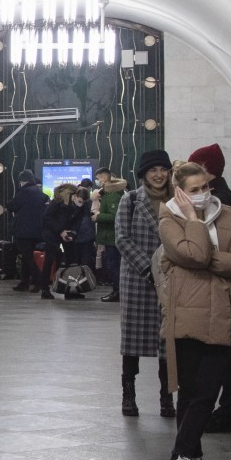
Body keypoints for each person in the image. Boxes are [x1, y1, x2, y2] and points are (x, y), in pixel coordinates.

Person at [156, 162, 231, 460]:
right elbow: (193, 253)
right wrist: (195, 221)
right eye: (193, 190)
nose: (201, 194)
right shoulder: (169, 218)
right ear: (179, 191)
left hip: (222, 313)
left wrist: (210, 258)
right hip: (189, 315)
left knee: (206, 391)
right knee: (194, 393)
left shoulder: (227, 215)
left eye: (204, 187)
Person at [187, 144, 231, 429]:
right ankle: (228, 409)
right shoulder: (219, 197)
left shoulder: (219, 201)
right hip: (218, 286)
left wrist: (201, 259)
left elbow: (218, 251)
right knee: (226, 353)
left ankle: (228, 411)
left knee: (225, 354)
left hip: (220, 287)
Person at [116, 150, 174, 417]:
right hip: (138, 279)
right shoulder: (129, 200)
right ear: (143, 174)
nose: (159, 174)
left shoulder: (176, 201)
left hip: (171, 279)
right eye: (153, 170)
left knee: (167, 340)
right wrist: (149, 269)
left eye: (163, 169)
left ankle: (166, 397)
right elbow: (122, 239)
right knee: (132, 341)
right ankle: (129, 395)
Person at [41, 183, 92, 297]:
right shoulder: (59, 199)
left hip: (67, 233)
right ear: (74, 195)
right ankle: (44, 289)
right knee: (49, 260)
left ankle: (70, 290)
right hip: (52, 233)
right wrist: (60, 231)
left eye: (82, 202)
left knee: (71, 261)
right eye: (79, 201)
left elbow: (77, 220)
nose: (80, 204)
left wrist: (72, 233)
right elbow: (48, 216)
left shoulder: (81, 205)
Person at [8, 174, 49, 293]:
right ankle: (24, 282)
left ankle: (39, 280)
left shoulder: (24, 192)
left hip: (24, 231)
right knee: (27, 257)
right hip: (37, 231)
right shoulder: (40, 193)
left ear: (23, 182)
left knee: (27, 256)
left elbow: (12, 206)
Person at [94, 171, 125, 299]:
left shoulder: (112, 195)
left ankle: (117, 292)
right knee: (113, 265)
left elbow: (115, 216)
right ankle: (116, 291)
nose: (97, 181)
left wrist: (98, 217)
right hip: (110, 236)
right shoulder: (108, 193)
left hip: (112, 236)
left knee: (114, 266)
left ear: (105, 178)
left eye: (98, 179)